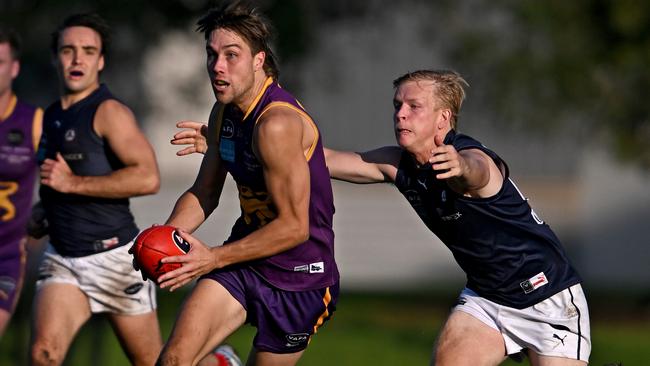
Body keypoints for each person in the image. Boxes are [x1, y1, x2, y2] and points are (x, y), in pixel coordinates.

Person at [174, 69, 591, 365]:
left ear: (444, 119)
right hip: (487, 298)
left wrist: (462, 167)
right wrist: (230, 139)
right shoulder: (398, 165)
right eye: (397, 105)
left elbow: (482, 172)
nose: (401, 114)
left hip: (549, 298)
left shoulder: (470, 158)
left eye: (414, 106)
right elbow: (319, 158)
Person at [152, 2, 339, 365]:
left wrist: (212, 257)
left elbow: (295, 228)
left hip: (300, 278)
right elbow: (205, 192)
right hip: (245, 261)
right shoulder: (224, 111)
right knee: (173, 360)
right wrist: (163, 242)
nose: (217, 66)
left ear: (259, 60)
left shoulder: (277, 124)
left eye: (231, 55)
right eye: (212, 55)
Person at [29, 13, 162, 366]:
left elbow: (148, 177)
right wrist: (43, 212)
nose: (77, 59)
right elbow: (58, 183)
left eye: (88, 51)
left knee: (158, 362)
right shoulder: (53, 114)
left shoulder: (110, 112)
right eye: (68, 50)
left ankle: (219, 361)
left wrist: (71, 183)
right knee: (44, 354)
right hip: (63, 259)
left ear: (100, 61)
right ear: (56, 57)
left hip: (115, 259)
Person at [0, 27, 43, 340]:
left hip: (6, 255)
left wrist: (43, 218)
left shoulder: (33, 121)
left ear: (14, 68)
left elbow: (65, 179)